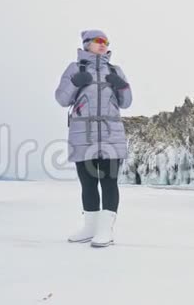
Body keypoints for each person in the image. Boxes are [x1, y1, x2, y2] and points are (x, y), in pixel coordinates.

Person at [55, 29, 132, 248]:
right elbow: (62, 98)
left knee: (109, 182)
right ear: (87, 44)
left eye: (106, 41)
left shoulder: (115, 70)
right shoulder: (74, 68)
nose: (103, 44)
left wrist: (121, 85)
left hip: (111, 135)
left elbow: (126, 102)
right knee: (88, 183)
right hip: (83, 136)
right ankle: (89, 227)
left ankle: (105, 230)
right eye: (98, 41)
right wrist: (76, 82)